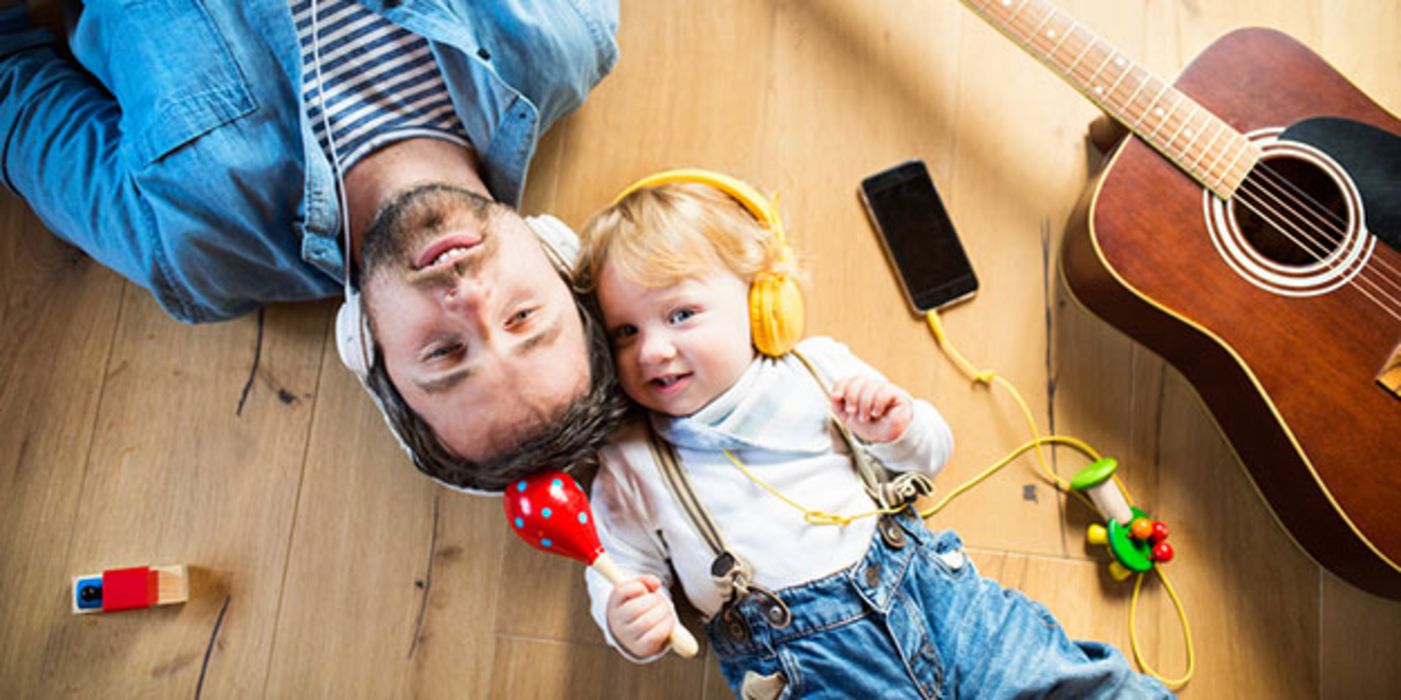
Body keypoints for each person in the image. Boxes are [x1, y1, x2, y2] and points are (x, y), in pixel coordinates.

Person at [572, 172, 1174, 698]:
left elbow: (931, 457)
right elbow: (618, 565)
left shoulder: (817, 369)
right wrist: (629, 623)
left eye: (681, 315)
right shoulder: (633, 458)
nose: (653, 349)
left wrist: (898, 427)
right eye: (624, 331)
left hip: (943, 608)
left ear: (763, 302)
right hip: (811, 671)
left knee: (1073, 686)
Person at [0, 0, 627, 491]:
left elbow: (10, 79)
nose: (469, 298)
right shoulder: (565, 30)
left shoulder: (195, 246)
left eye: (443, 351)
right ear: (559, 256)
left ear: (367, 346)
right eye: (522, 317)